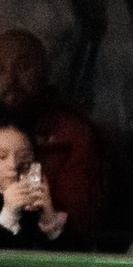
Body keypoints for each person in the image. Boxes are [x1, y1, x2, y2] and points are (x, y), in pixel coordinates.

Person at [0, 29, 105, 245]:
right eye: (0, 68)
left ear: (44, 72)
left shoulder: (71, 133)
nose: (10, 78)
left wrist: (48, 215)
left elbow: (81, 228)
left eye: (23, 67)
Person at [0, 118, 71, 250]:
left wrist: (50, 222)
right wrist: (8, 217)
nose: (14, 165)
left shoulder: (35, 210)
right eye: (2, 156)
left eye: (24, 158)